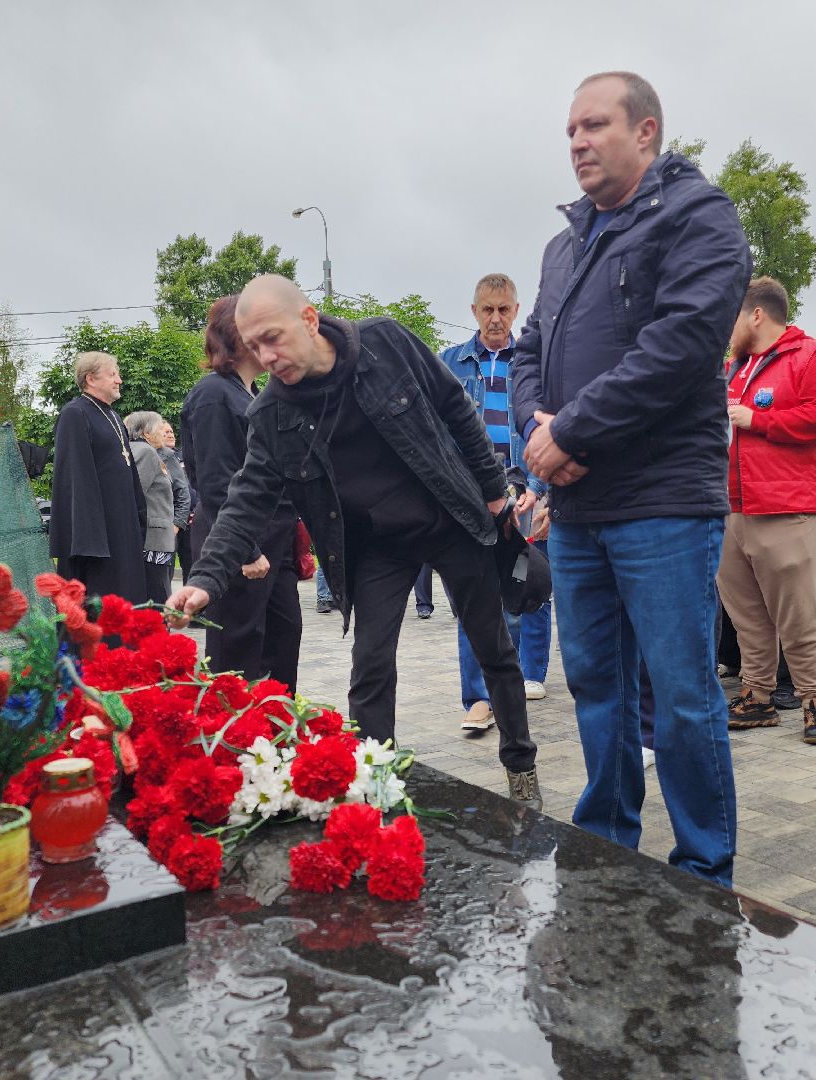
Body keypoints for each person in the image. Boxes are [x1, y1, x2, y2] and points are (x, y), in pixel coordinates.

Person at [167, 275, 540, 805]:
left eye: (273, 337)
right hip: (374, 548)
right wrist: (204, 580)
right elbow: (244, 500)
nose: (266, 356)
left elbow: (454, 407)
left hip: (449, 518)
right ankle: (375, 789)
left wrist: (494, 494)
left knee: (493, 648)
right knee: (369, 665)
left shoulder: (386, 342)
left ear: (309, 320)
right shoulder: (271, 414)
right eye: (254, 347)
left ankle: (520, 766)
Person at [513, 71, 751, 886]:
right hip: (579, 509)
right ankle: (607, 838)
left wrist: (573, 433)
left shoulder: (699, 218)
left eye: (594, 125)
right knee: (594, 686)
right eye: (569, 129)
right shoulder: (563, 243)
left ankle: (702, 868)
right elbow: (527, 352)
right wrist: (539, 431)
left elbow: (682, 345)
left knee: (681, 693)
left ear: (646, 131)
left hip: (661, 505)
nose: (576, 141)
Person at [716, 277, 816, 745]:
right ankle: (758, 695)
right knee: (746, 613)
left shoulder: (812, 355)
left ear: (755, 314)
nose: (724, 327)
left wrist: (760, 421)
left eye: (730, 315)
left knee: (799, 613)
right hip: (733, 506)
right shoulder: (736, 367)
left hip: (790, 506)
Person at [441, 273, 552, 728]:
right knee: (475, 596)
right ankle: (479, 698)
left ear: (516, 310)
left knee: (528, 584)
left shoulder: (532, 363)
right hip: (472, 499)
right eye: (487, 309)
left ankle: (529, 674)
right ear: (473, 312)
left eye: (504, 309)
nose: (495, 318)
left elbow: (549, 426)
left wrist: (539, 489)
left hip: (524, 491)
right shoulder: (449, 363)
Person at [179, 293, 303, 688]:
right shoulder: (213, 394)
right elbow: (215, 483)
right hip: (238, 547)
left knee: (283, 640)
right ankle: (234, 741)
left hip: (276, 544)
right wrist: (247, 551)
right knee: (238, 649)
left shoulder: (251, 393)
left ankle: (277, 737)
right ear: (239, 336)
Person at [47, 351, 147, 603]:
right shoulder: (75, 413)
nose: (119, 380)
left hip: (123, 530)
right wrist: (89, 540)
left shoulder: (113, 417)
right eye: (113, 374)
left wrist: (139, 518)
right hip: (96, 539)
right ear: (91, 379)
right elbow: (75, 479)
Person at [124, 411, 177, 604]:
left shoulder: (145, 451)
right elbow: (137, 493)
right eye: (159, 428)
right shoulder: (143, 451)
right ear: (146, 433)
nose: (163, 432)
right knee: (158, 596)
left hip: (156, 537)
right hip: (152, 540)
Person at [159, 421, 196, 582]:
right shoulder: (154, 456)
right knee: (166, 572)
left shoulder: (184, 456)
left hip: (190, 521)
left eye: (171, 431)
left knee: (193, 568)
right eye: (165, 432)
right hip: (169, 522)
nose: (170, 434)